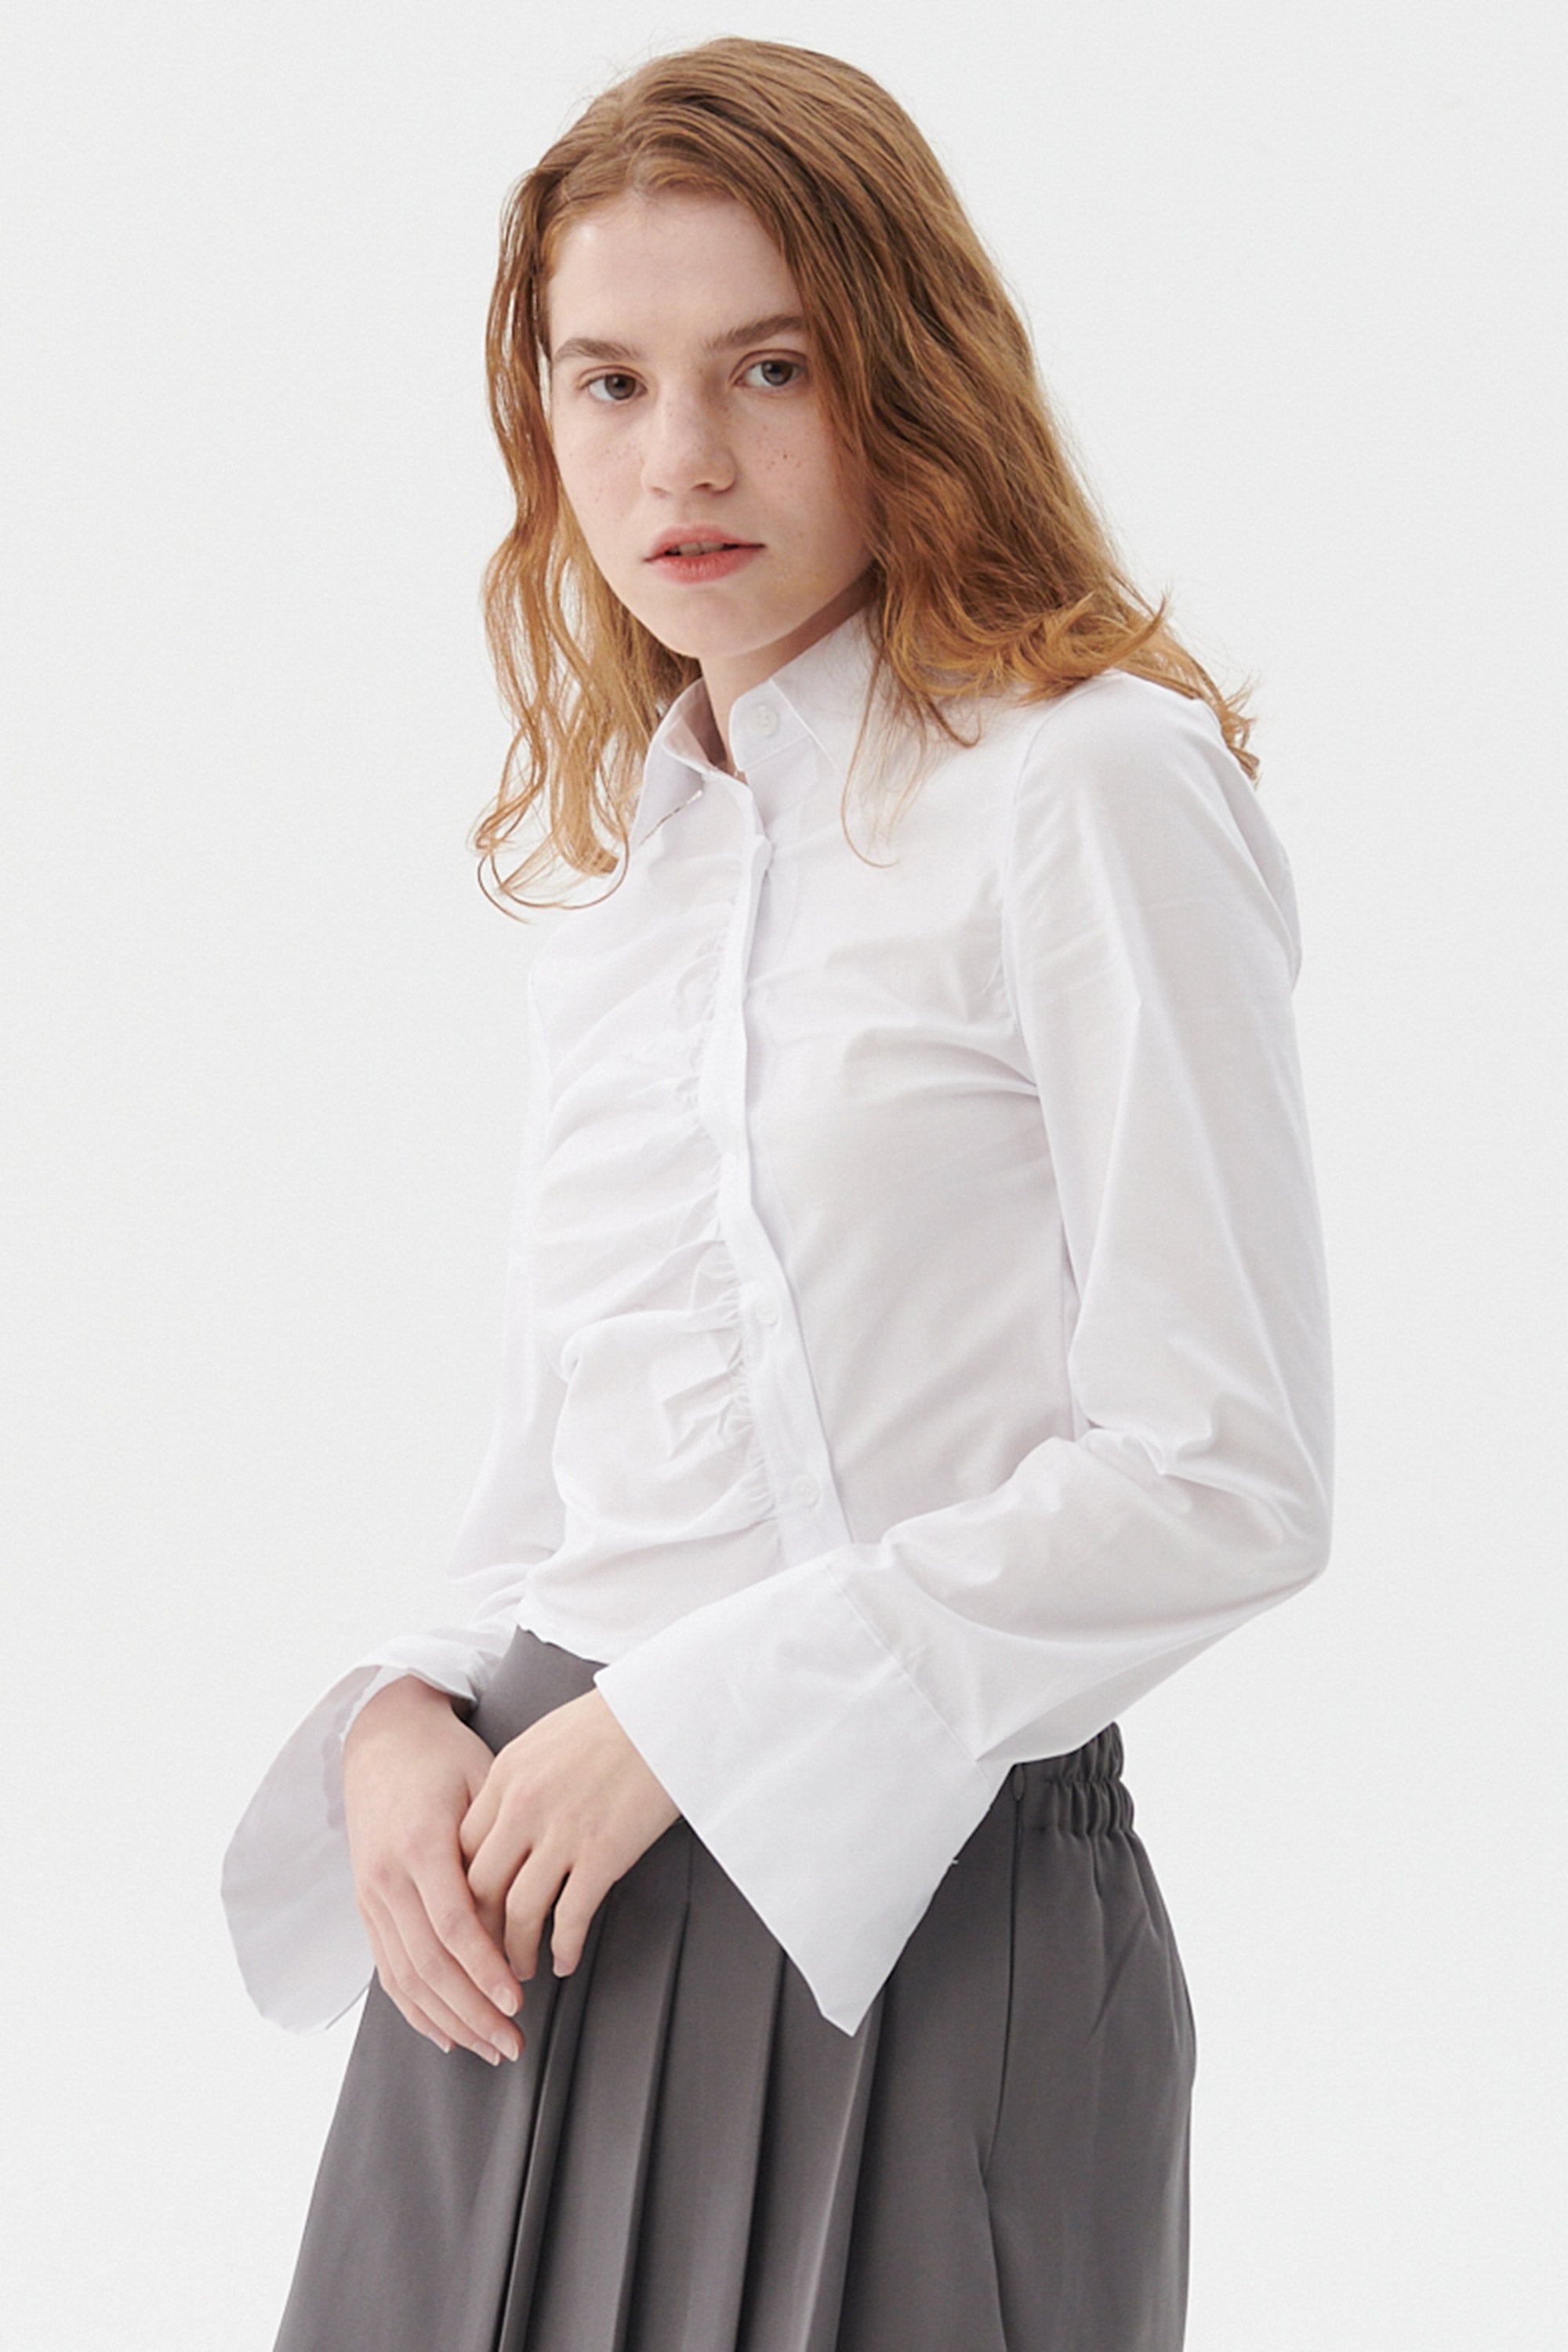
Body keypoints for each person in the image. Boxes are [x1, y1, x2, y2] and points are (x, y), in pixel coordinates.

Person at [222, 34, 1334, 2352]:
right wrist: (404, 1708)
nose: (683, 461)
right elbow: (571, 1489)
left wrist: (697, 1723)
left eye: (770, 367)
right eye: (609, 383)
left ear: (905, 370)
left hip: (919, 1924)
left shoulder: (1089, 787)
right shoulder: (628, 871)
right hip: (527, 1929)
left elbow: (1225, 1475)